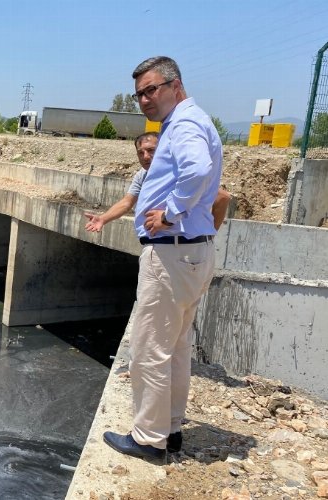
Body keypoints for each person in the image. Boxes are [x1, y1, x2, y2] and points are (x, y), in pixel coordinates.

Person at [102, 56, 223, 462]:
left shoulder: (185, 123)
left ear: (176, 85)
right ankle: (170, 429)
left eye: (152, 89)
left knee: (150, 347)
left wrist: (170, 211)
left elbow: (198, 169)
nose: (145, 99)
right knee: (175, 347)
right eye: (139, 94)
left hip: (171, 254)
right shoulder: (192, 120)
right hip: (192, 252)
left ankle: (148, 439)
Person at [84, 132, 231, 233]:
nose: (145, 156)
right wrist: (103, 219)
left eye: (151, 150)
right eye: (140, 152)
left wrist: (210, 234)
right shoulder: (143, 175)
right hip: (158, 247)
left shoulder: (177, 174)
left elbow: (222, 197)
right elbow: (127, 203)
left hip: (180, 248)